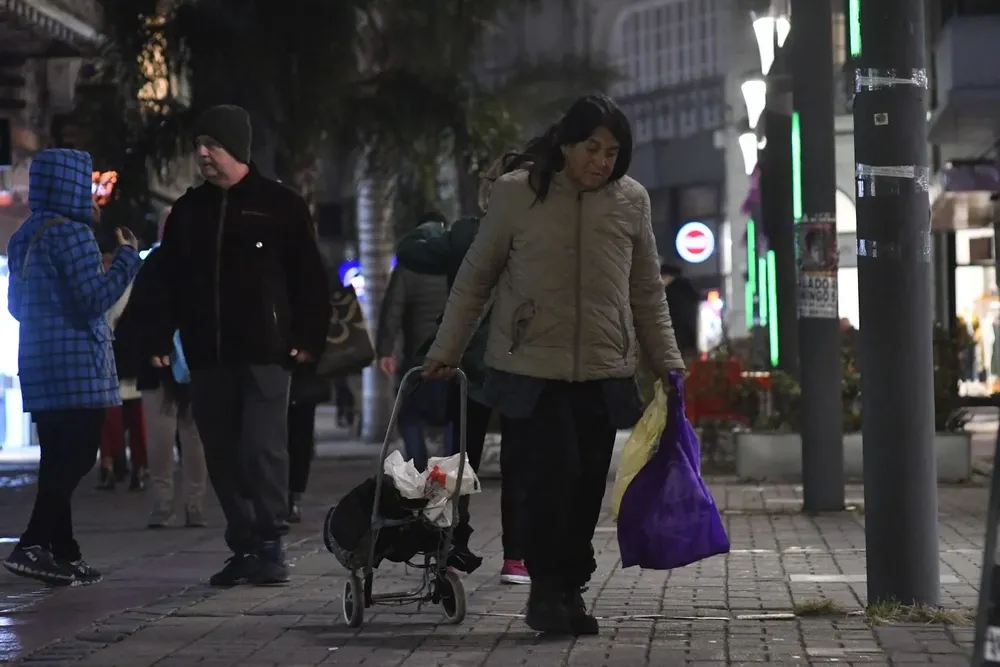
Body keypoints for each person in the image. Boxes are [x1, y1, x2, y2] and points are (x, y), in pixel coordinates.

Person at [422, 94, 685, 635]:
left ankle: (568, 587)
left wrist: (668, 362)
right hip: (530, 368)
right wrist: (446, 349)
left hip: (603, 367)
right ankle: (545, 591)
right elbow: (477, 276)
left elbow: (646, 291)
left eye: (613, 151)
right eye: (592, 147)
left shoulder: (631, 201)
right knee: (550, 477)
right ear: (566, 145)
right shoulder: (517, 195)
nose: (602, 161)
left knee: (588, 482)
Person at [144, 105, 331, 587]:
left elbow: (310, 277)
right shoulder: (189, 211)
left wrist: (307, 340)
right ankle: (244, 544)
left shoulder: (280, 206)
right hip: (208, 358)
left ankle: (270, 543)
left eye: (214, 146)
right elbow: (165, 281)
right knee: (221, 453)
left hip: (267, 355)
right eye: (200, 145)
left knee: (262, 448)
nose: (203, 154)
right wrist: (160, 336)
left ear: (239, 150)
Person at [2, 148, 141, 586]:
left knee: (57, 458)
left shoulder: (25, 234)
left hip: (40, 365)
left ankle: (63, 551)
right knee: (78, 455)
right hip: (78, 367)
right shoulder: (74, 234)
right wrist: (125, 260)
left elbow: (17, 307)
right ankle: (33, 542)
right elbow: (93, 300)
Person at [397, 206, 528, 584]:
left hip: (469, 362)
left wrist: (430, 227)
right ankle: (517, 557)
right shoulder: (540, 229)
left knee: (459, 459)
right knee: (518, 461)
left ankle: (452, 546)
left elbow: (412, 251)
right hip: (523, 359)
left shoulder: (467, 233)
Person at [128, 214, 208, 529]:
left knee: (188, 438)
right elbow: (143, 315)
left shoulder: (186, 263)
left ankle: (186, 503)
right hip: (170, 366)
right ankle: (176, 503)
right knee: (173, 439)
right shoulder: (161, 265)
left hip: (184, 365)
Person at [375, 212, 450, 471]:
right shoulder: (455, 261)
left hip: (416, 358)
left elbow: (392, 311)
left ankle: (418, 470)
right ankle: (448, 474)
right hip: (453, 355)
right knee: (454, 414)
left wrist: (384, 351)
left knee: (409, 416)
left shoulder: (408, 265)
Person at [96, 252, 148, 492]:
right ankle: (115, 464)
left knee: (130, 421)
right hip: (118, 364)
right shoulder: (125, 288)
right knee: (113, 421)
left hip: (126, 364)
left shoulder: (129, 288)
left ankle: (132, 466)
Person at [660, 262, 700, 364]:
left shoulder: (671, 293)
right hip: (690, 337)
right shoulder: (688, 289)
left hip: (676, 337)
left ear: (668, 276)